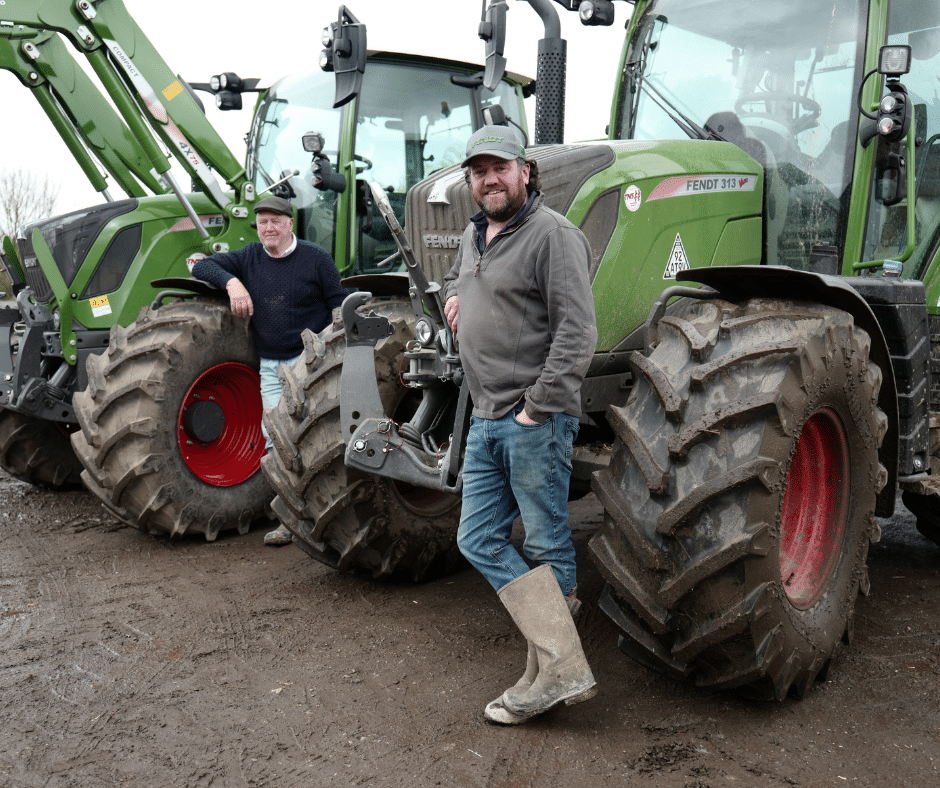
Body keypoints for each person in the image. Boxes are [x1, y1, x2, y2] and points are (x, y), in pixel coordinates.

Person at [442, 125, 598, 725]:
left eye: (500, 167)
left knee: (545, 541)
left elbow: (577, 332)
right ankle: (559, 657)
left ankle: (555, 666)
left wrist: (538, 407)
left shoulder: (554, 236)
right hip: (485, 415)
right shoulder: (474, 235)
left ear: (525, 171)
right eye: (479, 170)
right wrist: (460, 295)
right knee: (477, 539)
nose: (490, 179)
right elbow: (468, 281)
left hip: (532, 419)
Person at [192, 195, 347, 546]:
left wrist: (330, 353)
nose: (269, 228)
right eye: (262, 222)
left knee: (316, 440)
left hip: (310, 362)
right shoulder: (249, 257)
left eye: (275, 221)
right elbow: (201, 266)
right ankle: (288, 520)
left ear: (290, 224)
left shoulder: (316, 259)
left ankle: (326, 515)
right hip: (271, 366)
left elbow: (339, 305)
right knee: (275, 441)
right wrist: (232, 283)